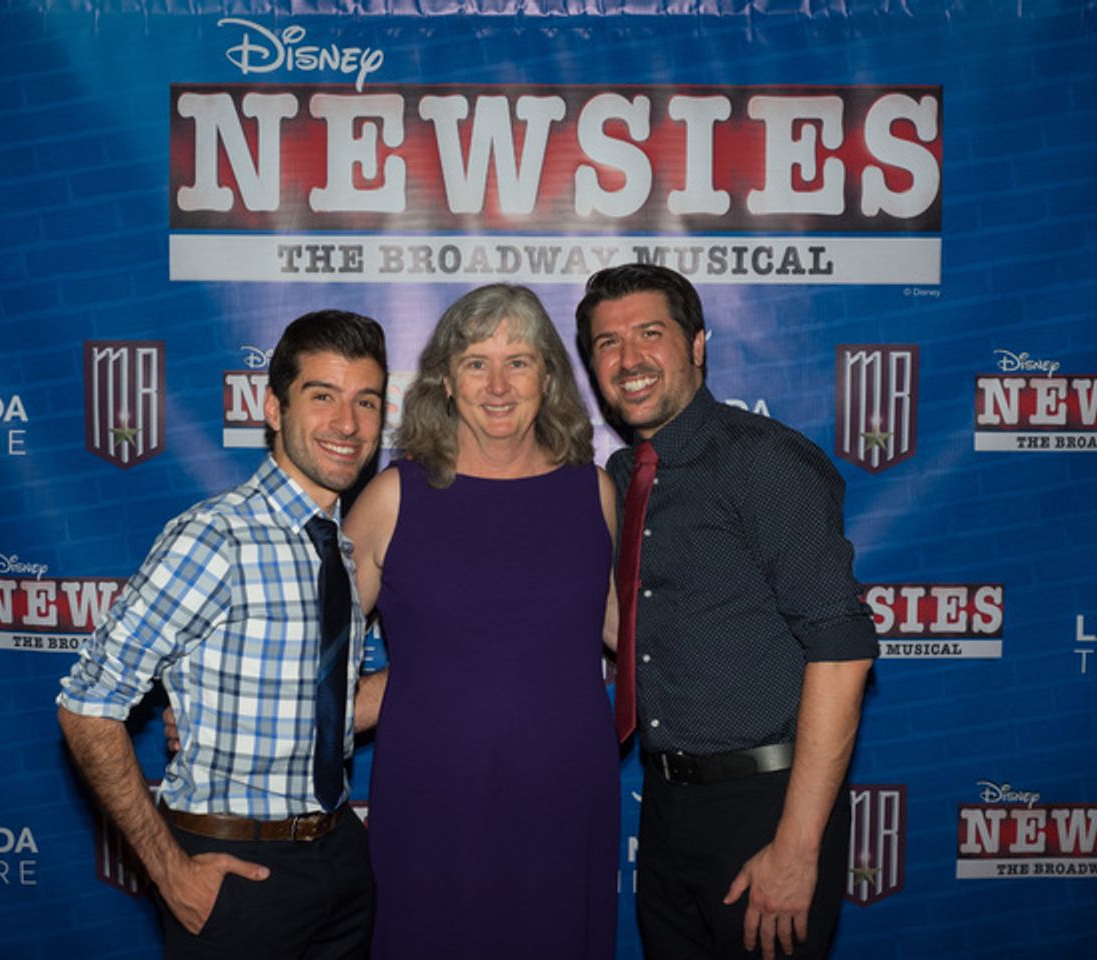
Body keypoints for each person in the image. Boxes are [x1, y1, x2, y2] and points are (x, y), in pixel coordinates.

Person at [57, 309, 387, 959]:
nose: (347, 424)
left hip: (340, 858)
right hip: (235, 870)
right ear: (272, 407)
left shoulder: (338, 552)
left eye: (366, 401)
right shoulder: (215, 538)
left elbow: (325, 709)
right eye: (322, 396)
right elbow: (85, 707)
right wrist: (170, 871)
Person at [574, 264, 879, 960]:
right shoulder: (623, 479)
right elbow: (633, 629)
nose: (628, 360)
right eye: (607, 343)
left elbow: (842, 651)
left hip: (768, 808)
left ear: (699, 344)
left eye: (650, 334)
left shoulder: (764, 464)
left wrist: (797, 850)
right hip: (666, 804)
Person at [346, 284, 621, 959]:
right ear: (444, 376)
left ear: (549, 376)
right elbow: (301, 643)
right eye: (476, 362)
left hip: (564, 796)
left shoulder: (594, 492)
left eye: (519, 361)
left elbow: (638, 640)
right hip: (432, 796)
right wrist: (219, 712)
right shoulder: (392, 495)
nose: (498, 385)